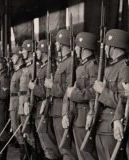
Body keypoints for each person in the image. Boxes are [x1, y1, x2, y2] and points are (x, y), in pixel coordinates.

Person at [93, 29, 129, 160]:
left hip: (112, 126)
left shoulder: (125, 67)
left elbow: (124, 101)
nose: (105, 49)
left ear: (113, 46)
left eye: (106, 45)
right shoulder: (109, 67)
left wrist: (103, 91)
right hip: (101, 124)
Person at [44, 29, 78, 160]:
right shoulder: (63, 62)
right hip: (56, 109)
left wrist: (51, 86)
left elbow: (68, 90)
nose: (55, 46)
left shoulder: (70, 62)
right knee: (61, 147)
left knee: (67, 150)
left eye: (57, 43)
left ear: (62, 44)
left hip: (63, 110)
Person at [64, 32, 98, 160]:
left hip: (85, 116)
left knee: (86, 155)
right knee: (80, 154)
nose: (75, 50)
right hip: (76, 115)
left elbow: (95, 92)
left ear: (83, 48)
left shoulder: (92, 66)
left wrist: (74, 93)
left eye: (77, 47)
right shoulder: (81, 66)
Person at [28, 39, 62, 160]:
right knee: (44, 144)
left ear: (43, 51)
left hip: (45, 109)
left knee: (49, 145)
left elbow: (46, 92)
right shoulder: (42, 67)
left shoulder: (50, 67)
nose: (35, 52)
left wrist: (34, 87)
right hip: (39, 108)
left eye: (37, 50)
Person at [9, 50, 28, 159]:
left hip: (18, 104)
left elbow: (22, 92)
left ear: (20, 58)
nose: (12, 58)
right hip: (13, 103)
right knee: (16, 130)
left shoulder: (23, 71)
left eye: (14, 56)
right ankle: (23, 153)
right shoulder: (16, 72)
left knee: (20, 130)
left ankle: (24, 155)